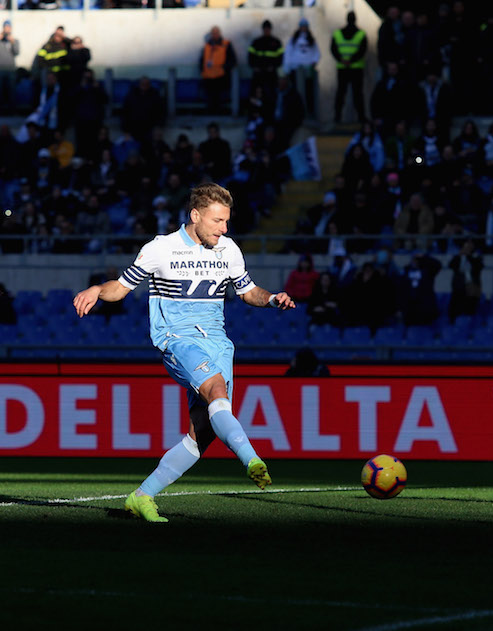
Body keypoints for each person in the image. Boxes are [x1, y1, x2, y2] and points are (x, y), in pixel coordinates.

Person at [73, 183, 296, 523]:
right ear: (195, 216)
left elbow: (247, 291)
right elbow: (120, 288)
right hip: (177, 338)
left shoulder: (228, 249)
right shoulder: (161, 249)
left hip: (217, 342)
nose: (224, 229)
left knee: (202, 433)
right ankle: (252, 459)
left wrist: (270, 298)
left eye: (226, 222)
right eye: (217, 221)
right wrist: (96, 290)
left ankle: (141, 497)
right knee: (216, 390)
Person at [331, 11, 367, 124]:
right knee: (357, 94)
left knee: (341, 93)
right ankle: (361, 118)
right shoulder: (361, 34)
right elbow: (362, 50)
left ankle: (337, 117)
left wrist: (342, 60)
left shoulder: (337, 33)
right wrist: (351, 60)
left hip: (343, 67)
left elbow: (333, 49)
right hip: (356, 68)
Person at [283, 17, 320, 117]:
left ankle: (309, 111)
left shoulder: (311, 40)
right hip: (295, 70)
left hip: (307, 70)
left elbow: (316, 53)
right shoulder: (294, 39)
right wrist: (287, 68)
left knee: (309, 91)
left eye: (305, 27)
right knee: (296, 91)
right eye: (302, 27)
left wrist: (314, 62)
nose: (303, 29)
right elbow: (288, 53)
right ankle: (296, 112)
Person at [199, 26, 237, 115]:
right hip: (208, 77)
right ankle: (210, 114)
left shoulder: (226, 44)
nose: (214, 35)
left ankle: (219, 113)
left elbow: (233, 60)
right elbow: (202, 60)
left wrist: (224, 68)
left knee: (219, 97)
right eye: (213, 33)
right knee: (209, 97)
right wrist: (202, 70)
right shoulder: (207, 46)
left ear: (220, 33)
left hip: (221, 76)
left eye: (216, 33)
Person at [248, 19, 284, 108]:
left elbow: (281, 57)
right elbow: (250, 56)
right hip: (259, 73)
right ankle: (257, 113)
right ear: (263, 30)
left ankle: (271, 111)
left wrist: (274, 66)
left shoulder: (276, 42)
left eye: (268, 29)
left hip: (271, 73)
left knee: (272, 92)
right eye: (265, 29)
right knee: (256, 92)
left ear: (270, 29)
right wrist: (255, 67)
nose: (266, 30)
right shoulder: (256, 42)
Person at [0, 20, 20, 112]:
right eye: (5, 27)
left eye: (8, 27)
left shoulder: (15, 40)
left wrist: (13, 42)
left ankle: (12, 109)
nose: (7, 29)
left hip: (10, 69)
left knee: (11, 90)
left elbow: (17, 52)